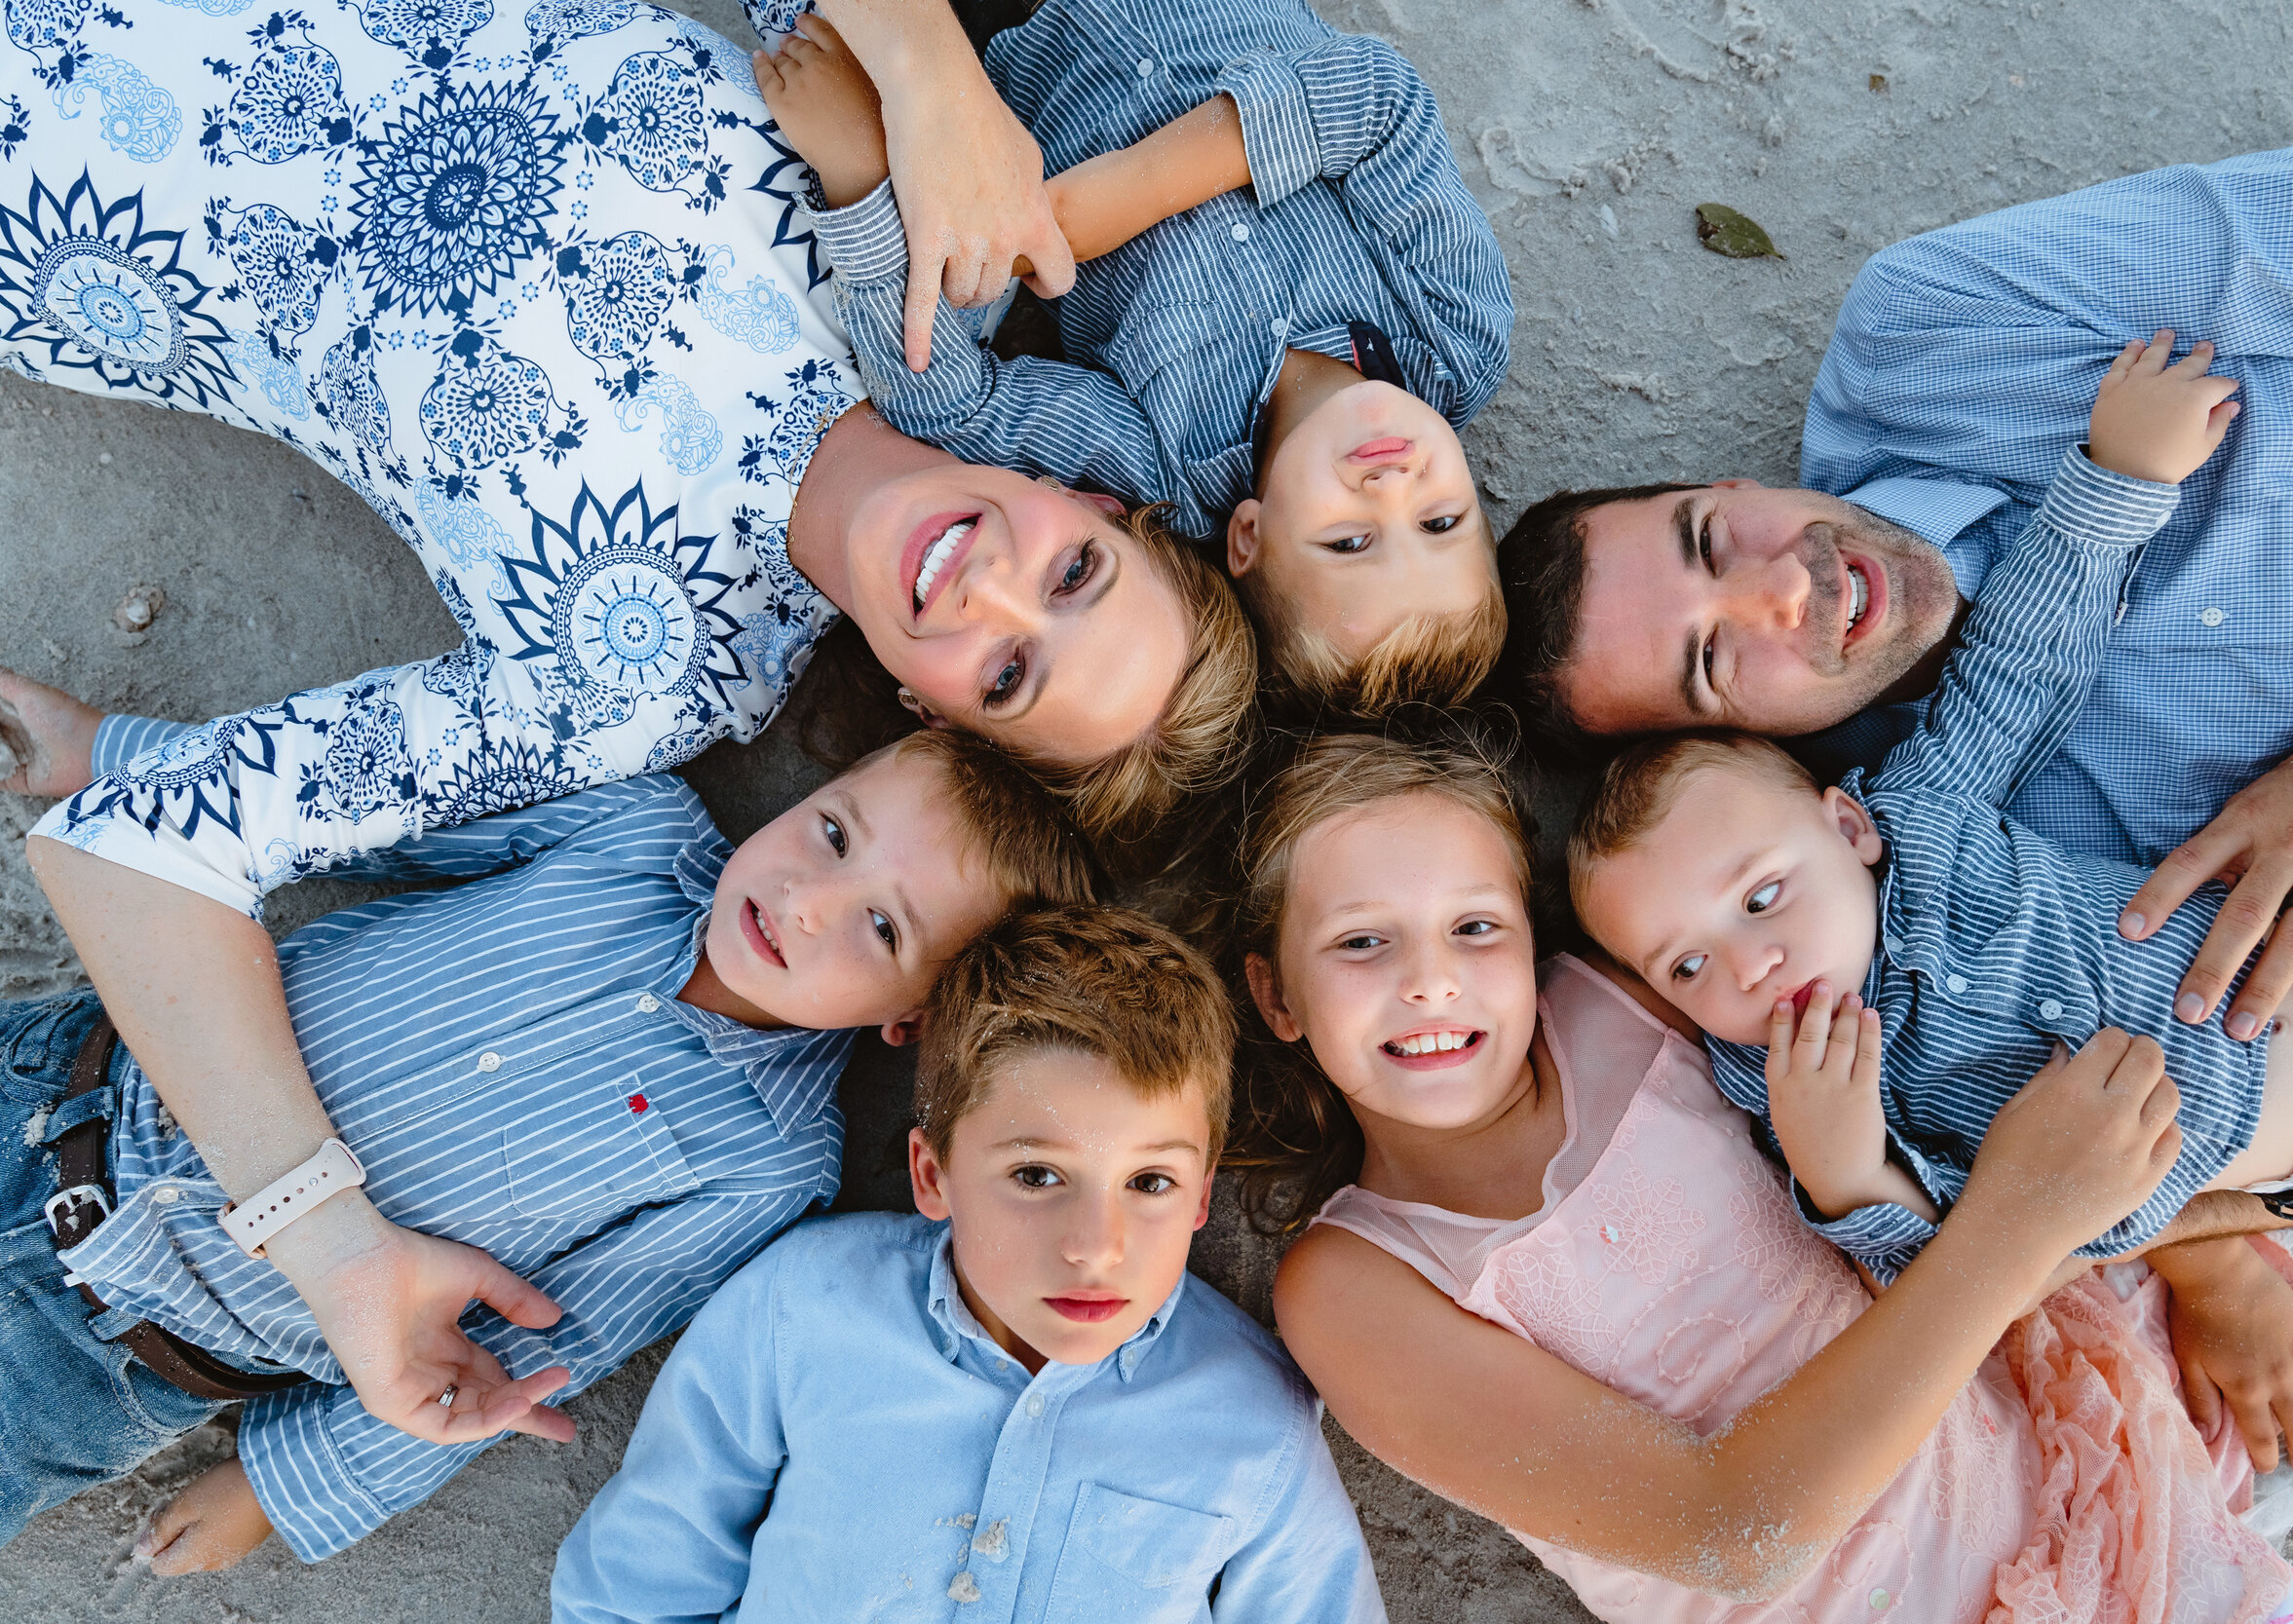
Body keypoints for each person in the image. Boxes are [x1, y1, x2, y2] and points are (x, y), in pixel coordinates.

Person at [0, 0, 1254, 845]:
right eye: (1075, 571)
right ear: (1086, 498)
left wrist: (97, 751)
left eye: (1007, 674)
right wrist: (934, 80)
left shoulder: (640, 679)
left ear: (936, 718)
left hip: (49, 192)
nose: (995, 590)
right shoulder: (925, 242)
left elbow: (331, 777)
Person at [1235, 730, 2293, 1624]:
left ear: (1534, 940)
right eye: (1360, 943)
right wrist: (2015, 1226)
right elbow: (1729, 1531)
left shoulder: (1650, 1001)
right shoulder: (1355, 1284)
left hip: (2100, 1481)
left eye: (1475, 925)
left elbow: (1998, 1097)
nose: (1432, 980)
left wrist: (2210, 1260)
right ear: (1276, 997)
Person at [0, 672, 1095, 1569]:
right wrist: (112, 752)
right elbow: (361, 809)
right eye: (833, 830)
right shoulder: (634, 823)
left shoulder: (765, 1164)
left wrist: (277, 1486)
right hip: (75, 1076)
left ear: (912, 1018)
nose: (808, 896)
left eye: (880, 925)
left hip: (126, 1350)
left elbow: (544, 1341)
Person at [1494, 129, 2293, 1052]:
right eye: (1714, 657)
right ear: (1728, 743)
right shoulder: (1957, 868)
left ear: (1729, 487)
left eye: (1710, 538)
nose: (1784, 582)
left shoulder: (1938, 330)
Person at [1567, 331, 2293, 1282]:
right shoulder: (1789, 1097)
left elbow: (2014, 675)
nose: (1749, 963)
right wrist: (1848, 1171)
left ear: (1847, 829)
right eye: (1685, 964)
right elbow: (1954, 1278)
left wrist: (2116, 479)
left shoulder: (1919, 817)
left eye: (1763, 896)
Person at [552, 904, 1384, 1622]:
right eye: (1036, 1174)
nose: (1097, 1243)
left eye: (1150, 1181)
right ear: (933, 1174)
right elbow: (635, 1586)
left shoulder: (1254, 1419)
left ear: (1201, 1196)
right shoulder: (803, 1310)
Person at [751, 0, 1512, 715]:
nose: (1392, 488)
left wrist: (861, 183)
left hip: (993, 57)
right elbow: (1381, 100)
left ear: (1248, 537)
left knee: (801, 49)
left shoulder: (1166, 472)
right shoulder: (1457, 332)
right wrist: (1121, 198)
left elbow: (957, 406)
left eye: (1351, 541)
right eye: (1441, 521)